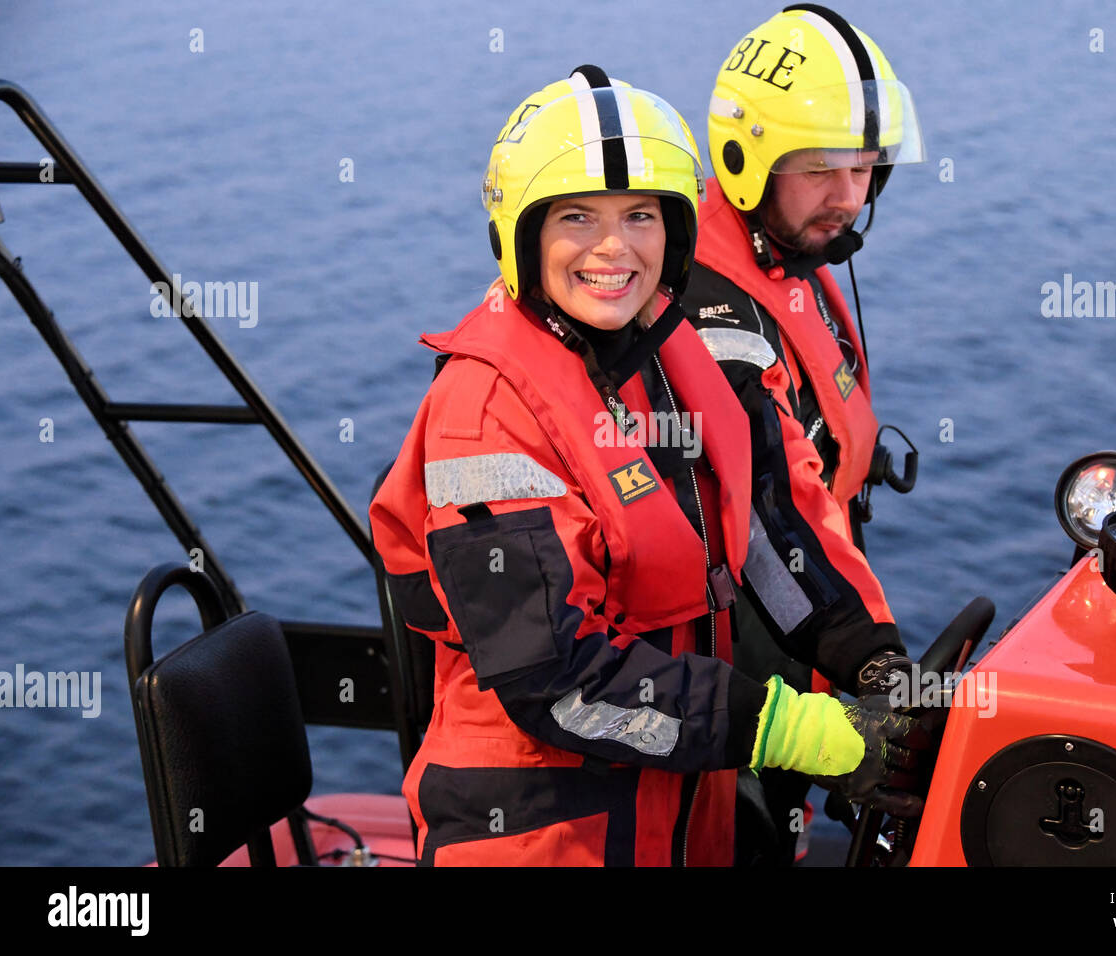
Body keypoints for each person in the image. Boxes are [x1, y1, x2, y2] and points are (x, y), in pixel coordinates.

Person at [369, 67, 928, 866]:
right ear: (521, 232)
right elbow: (556, 677)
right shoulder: (486, 414)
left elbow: (773, 535)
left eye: (640, 215)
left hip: (678, 807)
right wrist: (785, 728)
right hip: (543, 832)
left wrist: (875, 665)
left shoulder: (679, 354)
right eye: (575, 217)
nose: (613, 247)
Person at [681, 5, 929, 864]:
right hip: (741, 661)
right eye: (824, 170)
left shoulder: (786, 258)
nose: (851, 196)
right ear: (747, 163)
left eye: (866, 169)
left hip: (804, 632)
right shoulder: (708, 311)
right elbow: (771, 509)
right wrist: (877, 664)